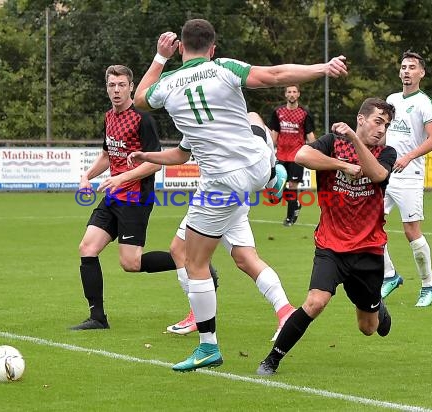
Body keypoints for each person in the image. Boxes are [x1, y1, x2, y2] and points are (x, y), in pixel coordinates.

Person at [130, 18, 347, 372]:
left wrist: (159, 57)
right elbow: (276, 75)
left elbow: (140, 99)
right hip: (256, 167)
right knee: (254, 119)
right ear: (213, 48)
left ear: (181, 48)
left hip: (222, 184)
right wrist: (322, 67)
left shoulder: (167, 84)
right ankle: (274, 173)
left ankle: (207, 346)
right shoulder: (224, 68)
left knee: (192, 261)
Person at [256, 97, 397, 376]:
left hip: (368, 250)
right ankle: (271, 359)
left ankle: (376, 307)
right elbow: (301, 156)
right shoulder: (333, 141)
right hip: (331, 245)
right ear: (361, 118)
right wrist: (342, 165)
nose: (382, 129)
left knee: (368, 328)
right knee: (315, 302)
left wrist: (356, 141)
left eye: (386, 124)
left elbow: (378, 174)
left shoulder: (386, 152)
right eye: (377, 121)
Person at [166, 113, 294, 342]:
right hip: (237, 196)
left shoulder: (201, 118)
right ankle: (285, 311)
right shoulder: (232, 117)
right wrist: (273, 172)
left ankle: (199, 318)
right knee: (246, 258)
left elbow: (179, 154)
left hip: (216, 198)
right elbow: (256, 122)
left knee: (180, 250)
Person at [70, 65, 176, 331]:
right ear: (106, 88)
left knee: (131, 263)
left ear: (131, 87)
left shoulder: (143, 119)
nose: (116, 90)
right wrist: (87, 177)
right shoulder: (109, 117)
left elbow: (154, 164)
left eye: (121, 85)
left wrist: (122, 178)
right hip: (113, 196)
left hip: (135, 199)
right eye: (111, 85)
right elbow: (107, 156)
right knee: (87, 248)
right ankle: (97, 317)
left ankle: (190, 262)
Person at [380, 50, 432, 307]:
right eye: (403, 66)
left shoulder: (425, 102)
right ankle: (390, 275)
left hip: (410, 175)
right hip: (386, 173)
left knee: (410, 231)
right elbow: (384, 134)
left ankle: (429, 285)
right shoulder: (391, 99)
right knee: (369, 224)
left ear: (421, 73)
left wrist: (407, 157)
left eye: (412, 67)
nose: (406, 70)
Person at [268, 84, 316, 226]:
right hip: (281, 155)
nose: (292, 94)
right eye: (289, 92)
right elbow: (274, 134)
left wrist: (315, 151)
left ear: (299, 94)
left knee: (293, 186)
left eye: (294, 92)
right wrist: (269, 152)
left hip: (297, 156)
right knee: (278, 187)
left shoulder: (304, 114)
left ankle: (290, 218)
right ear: (285, 94)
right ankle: (295, 203)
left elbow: (310, 136)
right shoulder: (278, 112)